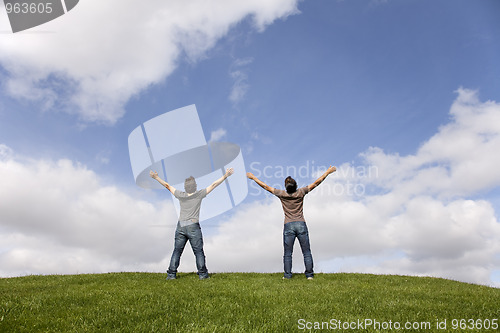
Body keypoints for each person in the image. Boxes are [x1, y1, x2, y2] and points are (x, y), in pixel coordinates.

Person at [247, 166, 336, 280]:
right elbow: (316, 183)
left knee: (288, 253)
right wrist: (327, 172)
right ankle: (309, 275)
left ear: (286, 187)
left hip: (288, 225)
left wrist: (253, 177)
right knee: (306, 252)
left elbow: (265, 186)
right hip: (301, 224)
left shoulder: (282, 194)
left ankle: (287, 276)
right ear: (296, 186)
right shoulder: (301, 192)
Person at [150, 168, 234, 280]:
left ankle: (171, 275)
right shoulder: (199, 194)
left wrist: (156, 177)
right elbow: (213, 185)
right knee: (198, 252)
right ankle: (203, 275)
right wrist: (225, 175)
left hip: (180, 226)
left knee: (177, 251)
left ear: (185, 187)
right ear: (195, 186)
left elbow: (167, 185)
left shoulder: (180, 195)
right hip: (193, 226)